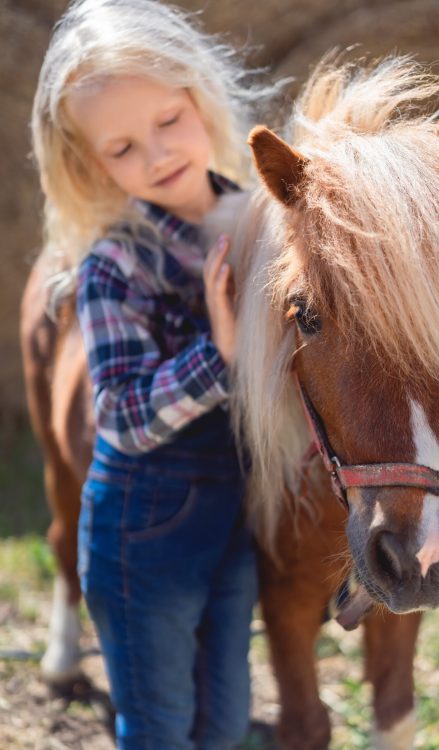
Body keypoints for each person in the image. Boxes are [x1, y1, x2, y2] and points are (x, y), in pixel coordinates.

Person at [31, 1, 270, 747]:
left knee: (226, 721)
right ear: (89, 165)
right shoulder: (114, 267)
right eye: (122, 148)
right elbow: (125, 416)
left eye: (169, 120)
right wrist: (221, 353)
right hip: (144, 529)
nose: (157, 154)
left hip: (234, 517)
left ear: (199, 94)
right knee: (161, 724)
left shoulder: (265, 222)